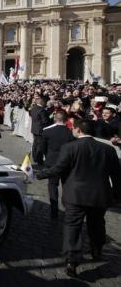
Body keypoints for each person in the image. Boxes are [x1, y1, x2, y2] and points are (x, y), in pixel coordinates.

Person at [37, 119, 121, 277]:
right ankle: (97, 250)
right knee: (97, 224)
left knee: (72, 227)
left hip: (75, 195)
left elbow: (59, 168)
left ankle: (71, 261)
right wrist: (117, 195)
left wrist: (39, 174)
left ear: (78, 130)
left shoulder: (70, 147)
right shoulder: (108, 149)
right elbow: (117, 176)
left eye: (73, 128)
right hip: (100, 195)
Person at [40, 111, 75, 219]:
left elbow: (42, 148)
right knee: (66, 186)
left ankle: (54, 211)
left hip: (52, 162)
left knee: (52, 186)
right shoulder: (71, 133)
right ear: (66, 120)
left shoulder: (47, 132)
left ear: (55, 119)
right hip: (67, 163)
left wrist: (47, 157)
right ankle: (68, 209)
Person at [29, 97, 52, 165]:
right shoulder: (42, 110)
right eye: (44, 102)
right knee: (40, 146)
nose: (45, 103)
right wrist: (50, 118)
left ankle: (35, 157)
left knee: (35, 144)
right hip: (40, 130)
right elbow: (45, 121)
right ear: (41, 102)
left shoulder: (33, 108)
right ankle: (39, 160)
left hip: (34, 129)